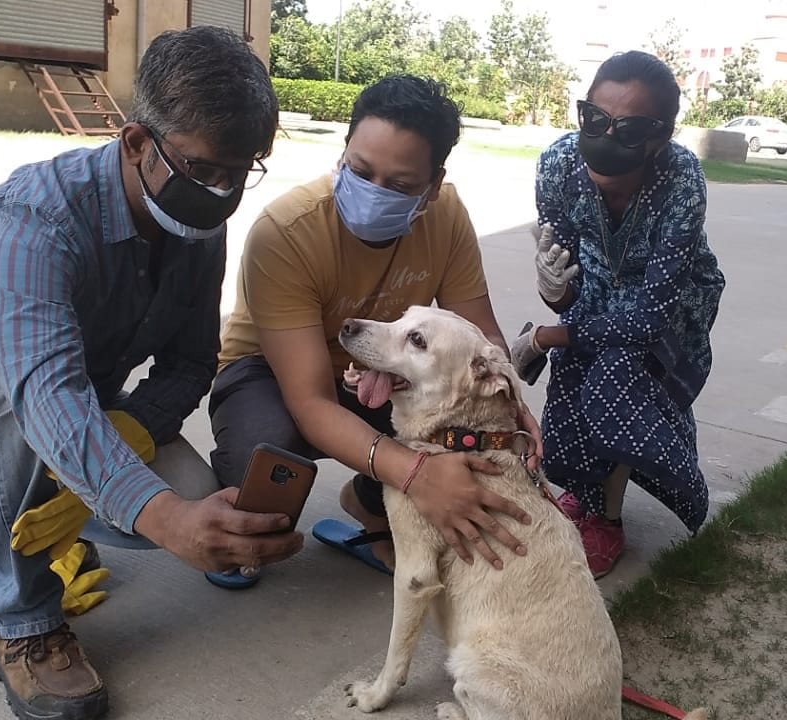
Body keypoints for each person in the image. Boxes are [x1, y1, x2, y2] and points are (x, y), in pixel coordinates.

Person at [0, 27, 302, 720]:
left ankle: (57, 511)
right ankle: (20, 624)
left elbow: (191, 360)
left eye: (238, 172)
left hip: (74, 400)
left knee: (189, 497)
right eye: (201, 169)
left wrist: (131, 436)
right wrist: (159, 515)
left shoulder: (197, 225)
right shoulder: (34, 218)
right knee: (21, 395)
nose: (219, 193)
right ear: (136, 143)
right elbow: (41, 388)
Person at [209, 74, 540, 586]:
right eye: (359, 171)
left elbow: (481, 336)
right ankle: (244, 483)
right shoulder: (286, 233)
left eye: (402, 186)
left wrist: (511, 412)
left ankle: (371, 503)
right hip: (271, 374)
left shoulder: (447, 215)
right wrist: (414, 472)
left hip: (380, 362)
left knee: (469, 415)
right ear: (342, 153)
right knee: (266, 469)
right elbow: (311, 399)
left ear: (433, 187)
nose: (373, 193)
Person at [510, 50, 725, 579]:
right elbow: (568, 279)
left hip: (672, 304)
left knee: (618, 375)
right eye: (595, 119)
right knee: (574, 375)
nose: (604, 137)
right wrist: (555, 292)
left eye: (628, 129)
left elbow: (650, 318)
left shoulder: (682, 181)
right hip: (599, 295)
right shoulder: (558, 167)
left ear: (660, 138)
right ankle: (582, 494)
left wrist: (548, 334)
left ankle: (607, 518)